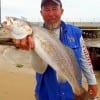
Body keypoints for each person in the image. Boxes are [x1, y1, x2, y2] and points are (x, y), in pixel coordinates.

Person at [12, 0, 98, 99]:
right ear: (41, 13)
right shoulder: (34, 35)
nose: (51, 14)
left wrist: (92, 81)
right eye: (47, 10)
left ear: (61, 11)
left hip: (70, 94)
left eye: (54, 9)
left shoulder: (76, 33)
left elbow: (85, 59)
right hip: (47, 93)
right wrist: (33, 50)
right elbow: (39, 69)